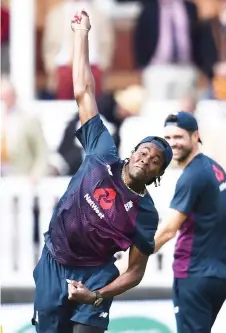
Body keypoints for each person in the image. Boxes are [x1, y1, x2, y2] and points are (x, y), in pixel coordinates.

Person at [32, 10, 173, 333]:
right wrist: (81, 35)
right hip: (54, 260)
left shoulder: (145, 214)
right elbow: (84, 91)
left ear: (157, 176)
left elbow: (135, 272)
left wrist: (96, 295)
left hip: (95, 273)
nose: (146, 159)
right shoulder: (102, 152)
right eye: (144, 152)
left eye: (155, 162)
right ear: (132, 151)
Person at [154, 111, 226, 333]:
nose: (172, 144)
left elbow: (167, 231)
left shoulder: (192, 176)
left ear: (195, 136)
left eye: (178, 137)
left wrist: (130, 263)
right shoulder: (215, 169)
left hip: (193, 275)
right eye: (168, 138)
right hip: (216, 274)